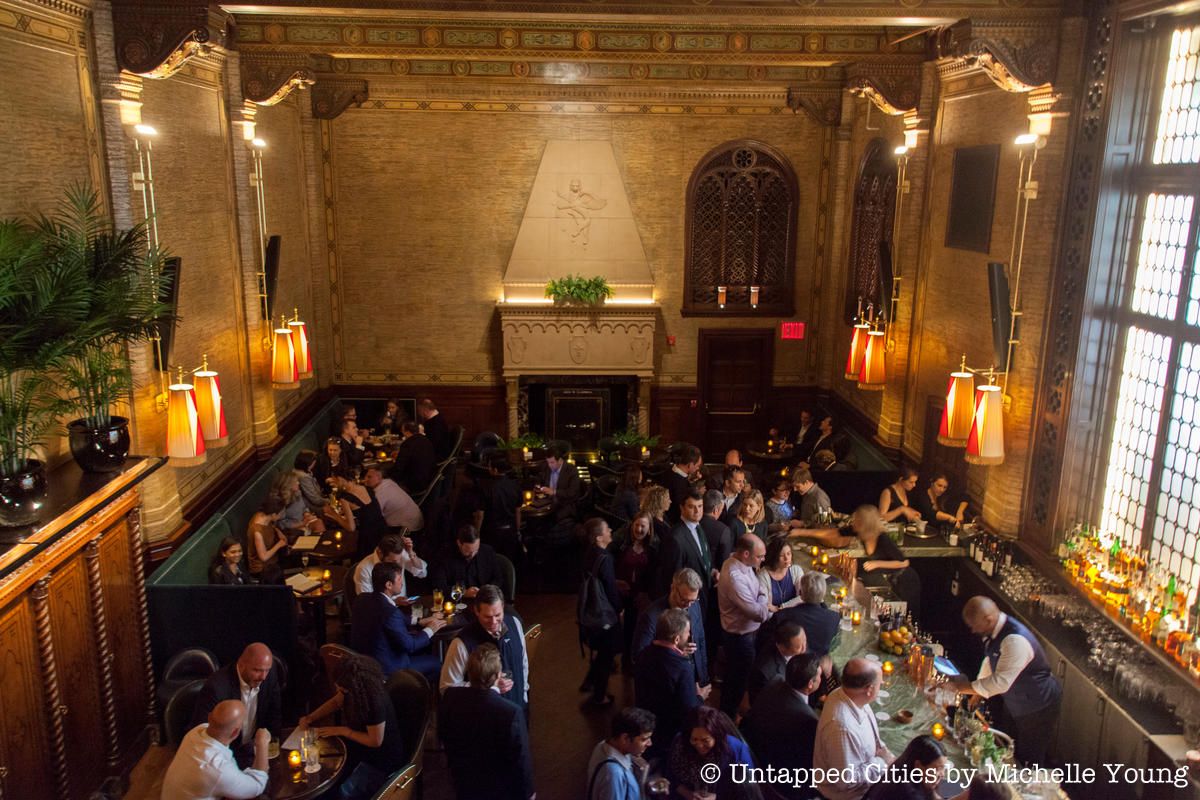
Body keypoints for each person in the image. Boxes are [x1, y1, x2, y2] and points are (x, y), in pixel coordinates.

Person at [949, 596, 1062, 767]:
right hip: (1017, 699)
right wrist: (977, 694)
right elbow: (990, 661)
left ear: (988, 619)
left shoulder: (1015, 640)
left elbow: (1000, 682)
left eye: (974, 626)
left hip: (1038, 704)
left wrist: (959, 687)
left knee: (1029, 757)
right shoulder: (994, 631)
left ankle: (1025, 780)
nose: (972, 631)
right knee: (1009, 748)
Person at [301, 653, 405, 799]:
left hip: (380, 761)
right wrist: (310, 717)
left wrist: (343, 731)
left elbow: (375, 741)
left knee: (342, 793)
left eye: (341, 688)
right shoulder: (353, 690)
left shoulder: (374, 702)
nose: (337, 689)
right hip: (360, 748)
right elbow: (335, 702)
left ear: (354, 687)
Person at [439, 644, 535, 800]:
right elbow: (521, 758)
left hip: (463, 782)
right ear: (498, 675)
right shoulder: (510, 712)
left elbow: (443, 734)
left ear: (469, 673)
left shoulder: (450, 698)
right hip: (500, 788)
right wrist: (528, 793)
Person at [740, 653, 823, 800]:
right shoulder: (808, 720)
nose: (822, 680)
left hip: (753, 749)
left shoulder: (775, 681)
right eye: (820, 676)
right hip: (776, 775)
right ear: (810, 684)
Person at [440, 584, 530, 718]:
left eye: (498, 615)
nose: (494, 622)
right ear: (476, 611)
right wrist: (490, 687)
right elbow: (447, 689)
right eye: (487, 617)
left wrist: (524, 695)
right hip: (483, 717)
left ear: (503, 607)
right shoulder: (461, 643)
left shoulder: (515, 623)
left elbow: (523, 662)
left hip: (517, 708)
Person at [188, 643, 282, 767]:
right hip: (224, 758)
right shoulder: (216, 687)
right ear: (241, 665)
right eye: (257, 670)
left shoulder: (269, 676)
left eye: (267, 670)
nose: (263, 677)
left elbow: (274, 715)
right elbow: (202, 733)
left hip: (253, 751)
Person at [813, 658, 894, 800]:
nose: (880, 687)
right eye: (879, 685)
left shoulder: (847, 694)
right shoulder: (841, 728)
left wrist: (886, 754)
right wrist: (881, 762)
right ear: (869, 689)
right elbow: (845, 781)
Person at [351, 561, 446, 680]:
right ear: (389, 585)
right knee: (436, 663)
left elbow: (390, 617)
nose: (402, 582)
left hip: (364, 664)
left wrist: (418, 621)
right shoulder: (390, 612)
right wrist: (430, 629)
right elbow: (410, 645)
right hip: (387, 670)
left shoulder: (362, 598)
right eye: (399, 579)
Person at [633, 608, 707, 758]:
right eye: (687, 632)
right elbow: (689, 710)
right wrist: (700, 696)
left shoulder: (643, 655)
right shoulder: (682, 666)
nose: (689, 635)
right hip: (670, 736)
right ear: (677, 639)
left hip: (646, 726)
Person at [162, 699, 268, 800]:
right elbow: (257, 785)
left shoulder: (196, 731)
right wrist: (262, 744)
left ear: (209, 717)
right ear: (235, 733)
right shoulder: (218, 769)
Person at [717, 533, 769, 718]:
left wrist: (762, 598)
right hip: (739, 639)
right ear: (746, 554)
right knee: (736, 682)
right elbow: (759, 613)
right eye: (760, 556)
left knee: (736, 679)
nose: (763, 560)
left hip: (745, 635)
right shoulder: (735, 577)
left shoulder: (741, 563)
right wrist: (764, 601)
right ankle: (726, 719)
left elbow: (760, 589)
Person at [631, 568, 710, 687]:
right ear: (673, 588)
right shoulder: (651, 617)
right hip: (666, 684)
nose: (688, 605)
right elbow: (638, 656)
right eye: (684, 599)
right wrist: (676, 653)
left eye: (693, 601)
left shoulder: (694, 606)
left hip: (694, 679)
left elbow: (700, 640)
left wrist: (704, 677)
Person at [665, 706, 761, 800]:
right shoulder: (680, 742)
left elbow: (747, 790)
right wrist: (688, 794)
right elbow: (669, 774)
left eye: (705, 740)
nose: (699, 745)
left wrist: (717, 797)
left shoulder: (736, 749)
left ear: (717, 736)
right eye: (694, 739)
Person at [580, 517, 622, 707]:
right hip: (604, 613)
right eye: (606, 529)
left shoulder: (589, 553)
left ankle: (589, 681)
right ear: (598, 537)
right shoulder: (605, 558)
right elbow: (610, 588)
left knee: (603, 650)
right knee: (607, 653)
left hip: (591, 610)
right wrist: (619, 608)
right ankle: (599, 696)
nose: (610, 530)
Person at [853, 505, 921, 618]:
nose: (854, 523)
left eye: (857, 521)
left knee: (905, 618)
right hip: (888, 582)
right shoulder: (862, 535)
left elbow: (904, 562)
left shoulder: (882, 539)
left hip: (905, 581)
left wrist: (877, 563)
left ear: (865, 524)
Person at [614, 512, 659, 673]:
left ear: (649, 529)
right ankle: (626, 660)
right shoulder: (622, 545)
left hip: (642, 596)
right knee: (626, 629)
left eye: (643, 526)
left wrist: (646, 593)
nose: (639, 529)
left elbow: (654, 575)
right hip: (623, 594)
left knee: (640, 630)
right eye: (637, 525)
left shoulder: (653, 550)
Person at [764, 571, 841, 657]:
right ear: (824, 594)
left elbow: (764, 643)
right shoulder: (834, 618)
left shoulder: (781, 616)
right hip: (818, 663)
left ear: (800, 593)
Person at [657, 489, 713, 603]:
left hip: (703, 595)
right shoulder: (675, 537)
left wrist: (712, 570)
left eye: (700, 506)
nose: (697, 511)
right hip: (686, 600)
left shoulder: (698, 528)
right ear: (682, 508)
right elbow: (673, 576)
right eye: (691, 507)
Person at [587, 707, 656, 800]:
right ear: (625, 738)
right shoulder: (614, 774)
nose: (650, 743)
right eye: (644, 739)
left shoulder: (602, 746)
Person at [862, 735, 946, 800]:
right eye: (938, 768)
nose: (942, 774)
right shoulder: (907, 792)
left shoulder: (901, 769)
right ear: (918, 766)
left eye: (943, 767)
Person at [433, 523, 503, 597]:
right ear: (459, 543)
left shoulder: (487, 551)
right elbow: (439, 586)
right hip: (457, 600)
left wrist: (485, 591)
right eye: (468, 551)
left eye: (476, 550)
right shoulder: (445, 555)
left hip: (484, 597)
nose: (472, 555)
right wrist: (463, 593)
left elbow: (498, 579)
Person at [353, 533, 428, 598]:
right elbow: (366, 601)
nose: (397, 563)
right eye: (393, 561)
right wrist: (394, 602)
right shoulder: (363, 569)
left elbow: (422, 573)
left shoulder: (398, 555)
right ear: (380, 553)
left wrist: (411, 553)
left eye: (399, 559)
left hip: (402, 605)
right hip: (380, 609)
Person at [748, 621, 806, 703]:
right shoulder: (765, 673)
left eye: (805, 640)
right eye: (799, 647)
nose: (804, 648)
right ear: (783, 648)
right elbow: (759, 703)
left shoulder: (797, 643)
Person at [333, 473, 388, 556]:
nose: (334, 483)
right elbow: (369, 510)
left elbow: (351, 528)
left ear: (341, 479)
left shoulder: (345, 498)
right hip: (383, 531)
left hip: (369, 537)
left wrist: (334, 515)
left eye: (335, 480)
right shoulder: (366, 487)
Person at [362, 464, 423, 531]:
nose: (365, 479)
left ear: (379, 476)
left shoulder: (381, 493)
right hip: (416, 522)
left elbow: (373, 515)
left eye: (369, 477)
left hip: (407, 529)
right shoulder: (389, 482)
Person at [245, 495, 287, 584]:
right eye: (280, 513)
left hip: (273, 561)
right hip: (263, 570)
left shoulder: (263, 516)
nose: (281, 515)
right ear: (273, 515)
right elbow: (263, 557)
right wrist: (279, 544)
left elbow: (269, 527)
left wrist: (277, 531)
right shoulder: (257, 532)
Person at [536, 442, 582, 522]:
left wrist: (554, 492)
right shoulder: (546, 467)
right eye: (548, 462)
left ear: (560, 460)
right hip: (548, 502)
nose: (549, 465)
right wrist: (539, 487)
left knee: (550, 518)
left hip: (565, 504)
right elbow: (540, 481)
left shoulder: (571, 470)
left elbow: (572, 493)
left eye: (552, 462)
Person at [390, 420, 437, 494]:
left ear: (407, 432)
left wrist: (387, 476)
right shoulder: (426, 440)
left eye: (402, 431)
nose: (402, 433)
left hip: (414, 485)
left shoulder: (407, 444)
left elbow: (398, 469)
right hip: (430, 481)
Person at [759, 537, 805, 611]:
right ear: (774, 557)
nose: (786, 558)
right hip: (773, 616)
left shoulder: (796, 570)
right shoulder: (763, 576)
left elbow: (803, 597)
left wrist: (780, 608)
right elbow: (765, 605)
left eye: (788, 553)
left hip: (795, 613)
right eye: (781, 555)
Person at [273, 470, 324, 535]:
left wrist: (306, 514)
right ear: (288, 484)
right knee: (317, 526)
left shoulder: (297, 493)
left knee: (319, 522)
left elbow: (304, 508)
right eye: (296, 482)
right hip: (293, 528)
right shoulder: (280, 500)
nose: (298, 483)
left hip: (304, 521)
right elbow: (281, 524)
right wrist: (302, 523)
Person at [662, 443, 702, 525]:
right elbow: (680, 508)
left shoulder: (669, 471)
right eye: (697, 466)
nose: (698, 468)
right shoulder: (679, 483)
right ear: (690, 465)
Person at [417, 396, 453, 461]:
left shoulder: (437, 423)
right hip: (434, 452)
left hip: (437, 456)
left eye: (419, 411)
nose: (419, 413)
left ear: (424, 410)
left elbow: (433, 444)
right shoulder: (434, 418)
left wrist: (421, 435)